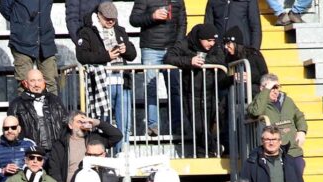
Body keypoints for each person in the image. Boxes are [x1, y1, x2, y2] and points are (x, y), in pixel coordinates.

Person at [75, 1, 137, 144]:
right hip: (101, 84)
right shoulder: (87, 32)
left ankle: (123, 152)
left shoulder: (120, 31)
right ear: (98, 15)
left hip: (122, 83)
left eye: (113, 19)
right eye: (107, 18)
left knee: (124, 124)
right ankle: (103, 152)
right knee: (103, 123)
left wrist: (126, 49)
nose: (110, 21)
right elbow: (82, 56)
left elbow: (133, 55)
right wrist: (106, 56)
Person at [164, 24, 228, 157]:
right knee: (198, 127)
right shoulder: (185, 43)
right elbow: (169, 57)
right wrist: (189, 61)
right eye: (209, 40)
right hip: (190, 93)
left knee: (207, 127)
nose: (212, 43)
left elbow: (221, 59)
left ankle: (204, 155)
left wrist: (203, 61)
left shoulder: (215, 46)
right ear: (200, 39)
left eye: (213, 40)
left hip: (210, 92)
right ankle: (214, 147)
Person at [130, 0, 185, 137]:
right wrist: (152, 16)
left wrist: (178, 46)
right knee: (151, 88)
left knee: (175, 88)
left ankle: (177, 126)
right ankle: (152, 126)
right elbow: (134, 20)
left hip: (172, 50)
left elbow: (182, 23)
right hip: (151, 48)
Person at [248, 74, 307, 166]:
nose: (275, 91)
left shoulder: (287, 101)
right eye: (272, 88)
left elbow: (299, 116)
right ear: (262, 88)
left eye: (277, 87)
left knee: (298, 170)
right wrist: (266, 90)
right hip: (273, 153)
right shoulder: (258, 103)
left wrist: (302, 131)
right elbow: (255, 112)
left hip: (293, 152)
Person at [6, 70, 67, 158]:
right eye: (32, 81)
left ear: (44, 82)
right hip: (30, 154)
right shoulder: (16, 104)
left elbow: (65, 123)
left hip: (56, 153)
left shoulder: (55, 100)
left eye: (39, 80)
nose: (36, 84)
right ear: (25, 83)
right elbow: (11, 130)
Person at [1, 0, 58, 94]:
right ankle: (26, 105)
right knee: (24, 86)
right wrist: (20, 24)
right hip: (21, 42)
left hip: (45, 41)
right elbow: (4, 8)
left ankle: (52, 104)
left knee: (50, 85)